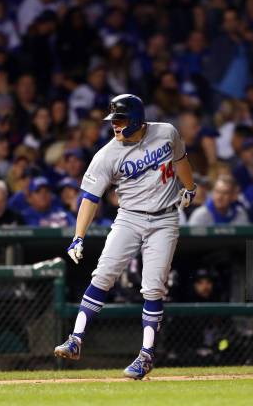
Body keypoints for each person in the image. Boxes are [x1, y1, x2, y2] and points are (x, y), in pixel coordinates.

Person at [54, 94, 196, 380]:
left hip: (165, 218)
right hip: (129, 217)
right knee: (103, 274)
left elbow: (181, 160)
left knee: (153, 288)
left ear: (137, 119)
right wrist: (78, 236)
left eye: (120, 120)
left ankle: (146, 356)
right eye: (113, 121)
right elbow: (90, 198)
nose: (115, 126)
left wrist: (190, 188)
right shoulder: (107, 154)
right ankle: (76, 339)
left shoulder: (166, 132)